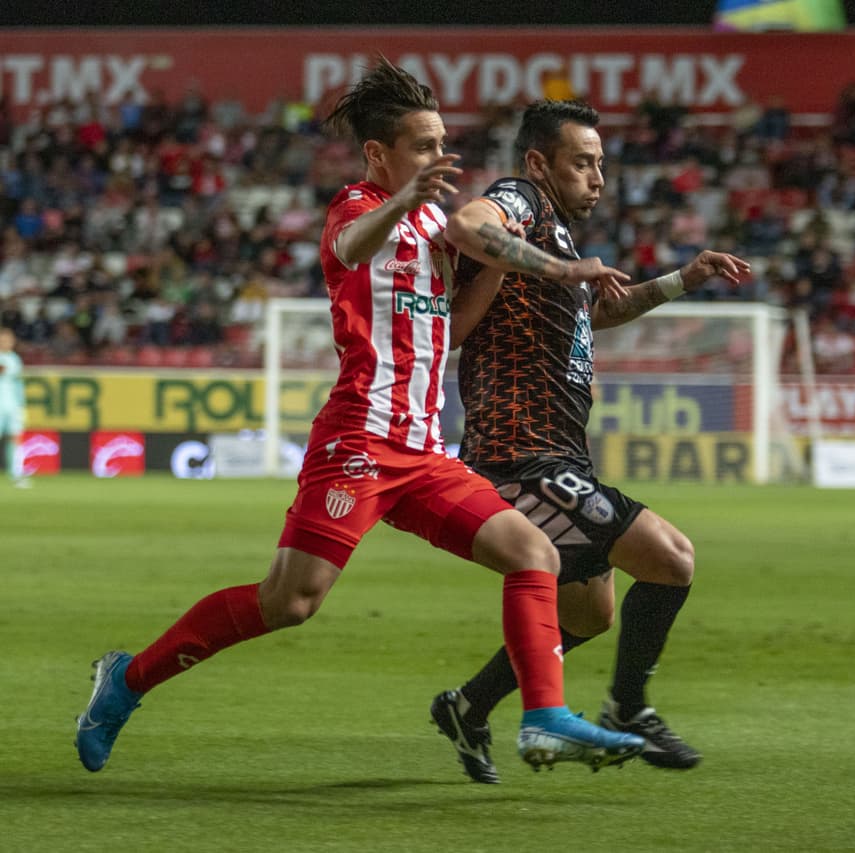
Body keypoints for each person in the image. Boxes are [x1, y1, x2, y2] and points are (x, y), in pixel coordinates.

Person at [75, 60, 643, 774]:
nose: (440, 159)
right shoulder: (357, 207)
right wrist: (403, 200)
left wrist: (507, 265)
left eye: (443, 144)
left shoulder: (441, 224)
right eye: (423, 146)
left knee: (535, 553)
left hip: (425, 452)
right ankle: (125, 680)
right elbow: (350, 248)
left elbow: (456, 327)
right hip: (360, 441)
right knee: (290, 601)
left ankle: (543, 714)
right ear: (381, 155)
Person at [431, 99, 749, 783]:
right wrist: (559, 268)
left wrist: (679, 280)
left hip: (556, 452)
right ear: (540, 163)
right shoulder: (520, 200)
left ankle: (467, 705)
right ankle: (628, 706)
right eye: (583, 162)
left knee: (591, 613)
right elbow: (467, 224)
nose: (598, 177)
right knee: (670, 556)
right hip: (517, 454)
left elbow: (596, 313)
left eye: (601, 163)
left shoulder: (560, 240)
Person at [0, 327, 30, 488]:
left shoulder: (15, 359)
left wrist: (21, 405)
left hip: (13, 406)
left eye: (8, 340)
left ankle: (16, 474)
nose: (5, 342)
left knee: (15, 438)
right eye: (2, 339)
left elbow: (19, 383)